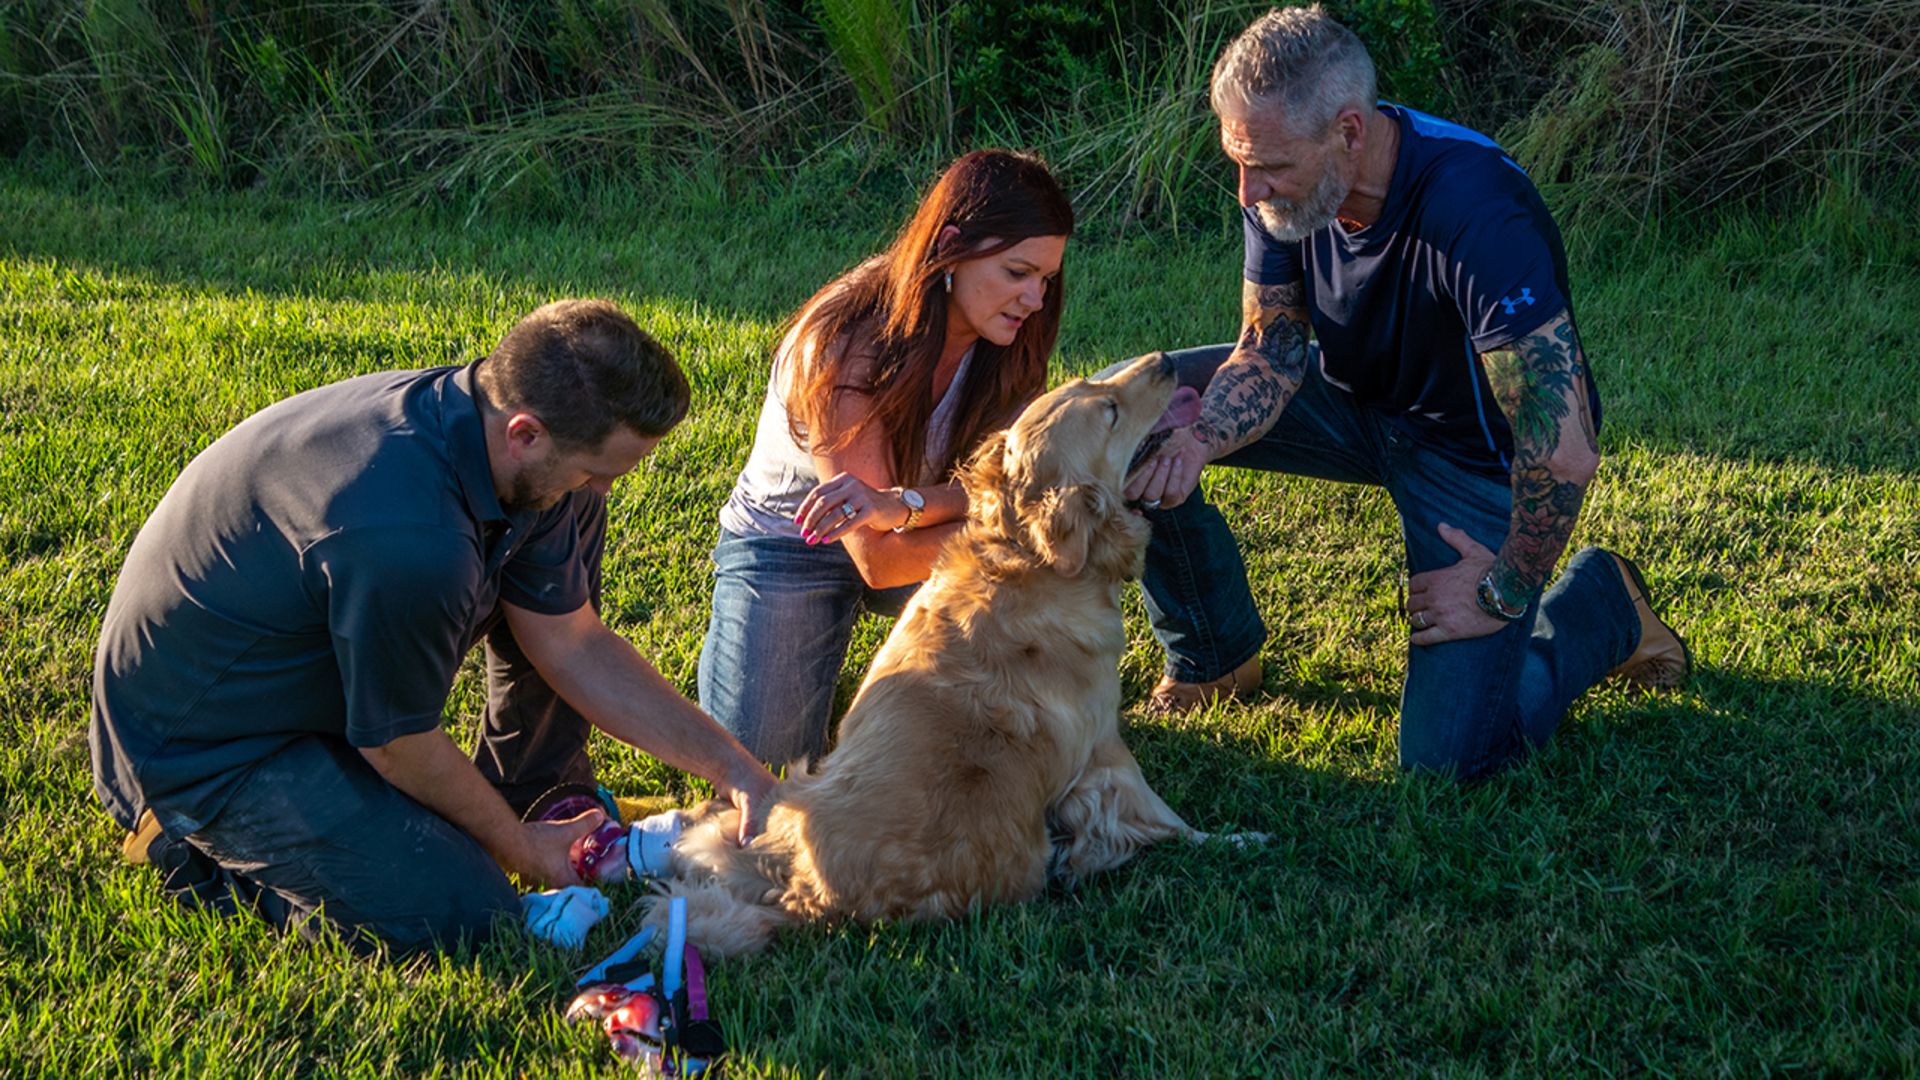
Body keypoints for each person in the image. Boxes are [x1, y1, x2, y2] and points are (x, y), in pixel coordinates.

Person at [91, 299, 778, 951]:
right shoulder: (414, 542)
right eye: (596, 471)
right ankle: (185, 844)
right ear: (526, 433)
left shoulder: (493, 433)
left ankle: (532, 791)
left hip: (319, 678)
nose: (604, 489)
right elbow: (398, 744)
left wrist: (735, 769)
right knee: (463, 912)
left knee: (566, 509)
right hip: (211, 745)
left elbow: (571, 643)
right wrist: (519, 850)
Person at [1123, 6, 1690, 780]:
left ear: (1349, 133)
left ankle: (1602, 603)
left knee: (1450, 762)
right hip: (1357, 397)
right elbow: (1273, 346)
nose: (1248, 191)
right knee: (1127, 413)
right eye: (1238, 161)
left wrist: (1501, 589)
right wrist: (1196, 439)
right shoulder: (1280, 185)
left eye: (1270, 167)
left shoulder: (1476, 209)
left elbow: (1562, 447)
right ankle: (1214, 656)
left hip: (1471, 456)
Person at [699, 149, 1074, 764]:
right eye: (1017, 272)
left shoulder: (1013, 333)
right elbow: (877, 558)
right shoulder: (845, 341)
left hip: (925, 524)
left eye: (1046, 279)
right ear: (951, 248)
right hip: (796, 538)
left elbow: (1007, 480)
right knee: (766, 761)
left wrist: (909, 504)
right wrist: (1013, 528)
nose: (1034, 298)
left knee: (1015, 710)